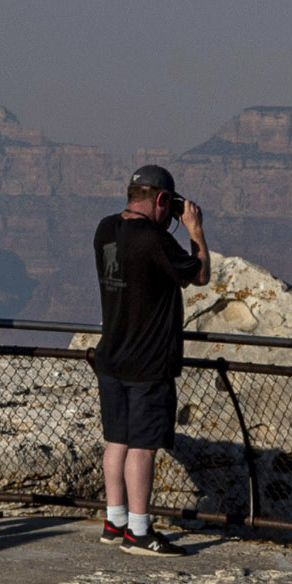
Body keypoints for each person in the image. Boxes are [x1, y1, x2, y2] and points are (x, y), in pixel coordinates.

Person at [92, 164, 207, 551]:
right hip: (148, 363)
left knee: (117, 442)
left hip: (111, 356)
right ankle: (139, 532)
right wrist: (194, 229)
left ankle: (115, 522)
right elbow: (200, 274)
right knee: (142, 447)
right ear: (161, 200)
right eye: (169, 205)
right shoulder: (155, 240)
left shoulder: (105, 229)